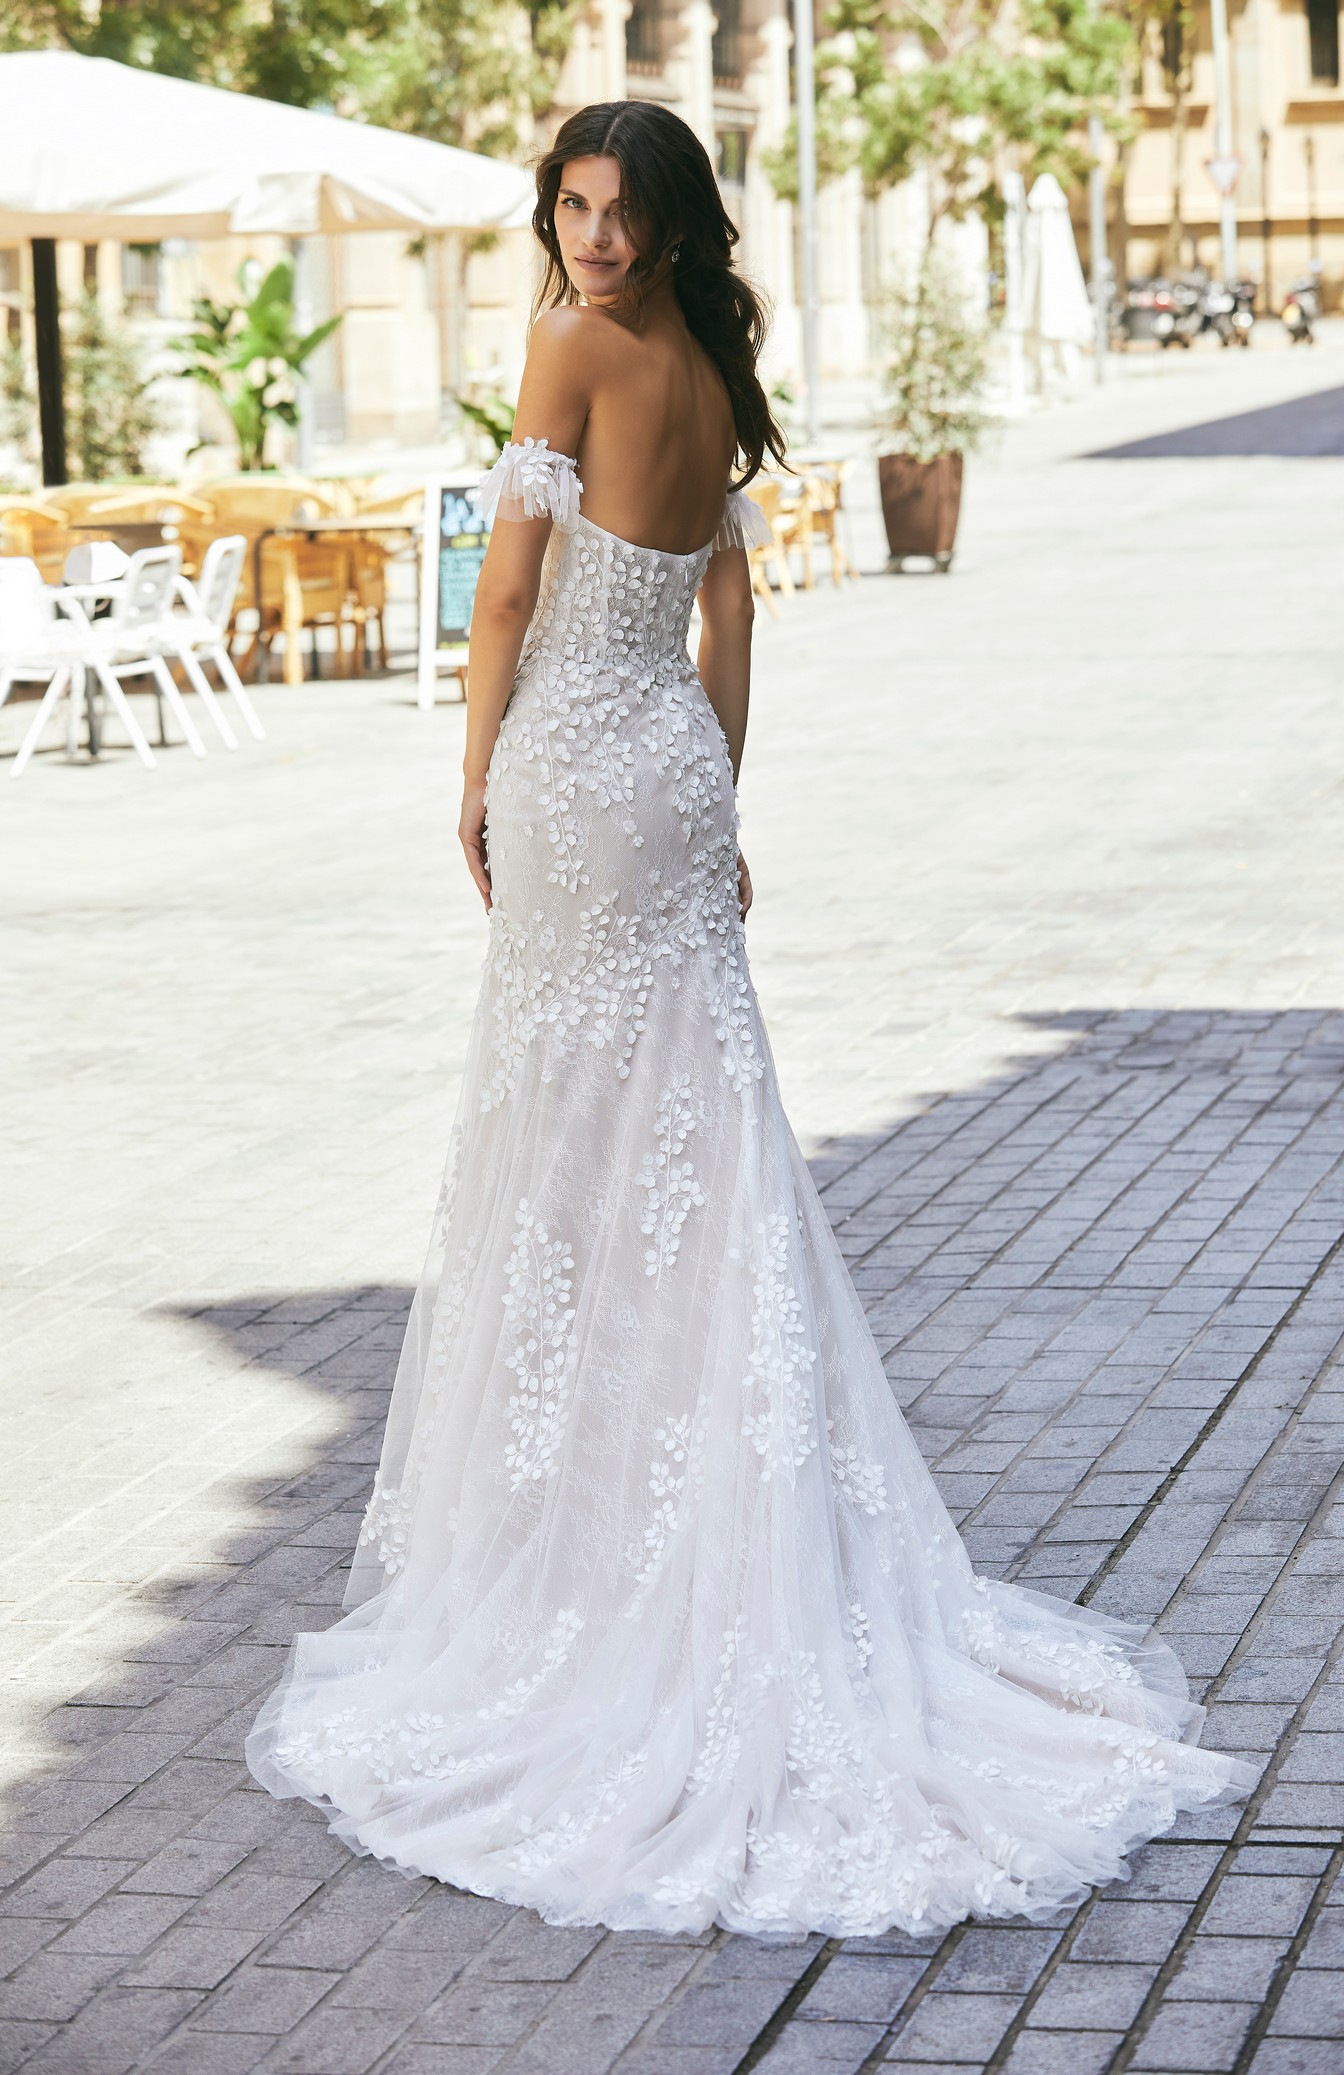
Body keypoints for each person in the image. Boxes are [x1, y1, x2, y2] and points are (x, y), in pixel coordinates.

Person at [247, 101, 1252, 1937]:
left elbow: (505, 598)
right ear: (557, 208)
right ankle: (694, 1512)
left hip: (570, 761)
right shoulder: (714, 363)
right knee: (692, 1136)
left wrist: (475, 773)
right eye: (574, 206)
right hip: (672, 772)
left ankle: (589, 1550)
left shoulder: (565, 344)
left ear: (669, 220)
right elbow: (726, 601)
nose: (594, 237)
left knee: (565, 1143)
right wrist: (718, 788)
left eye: (621, 210)